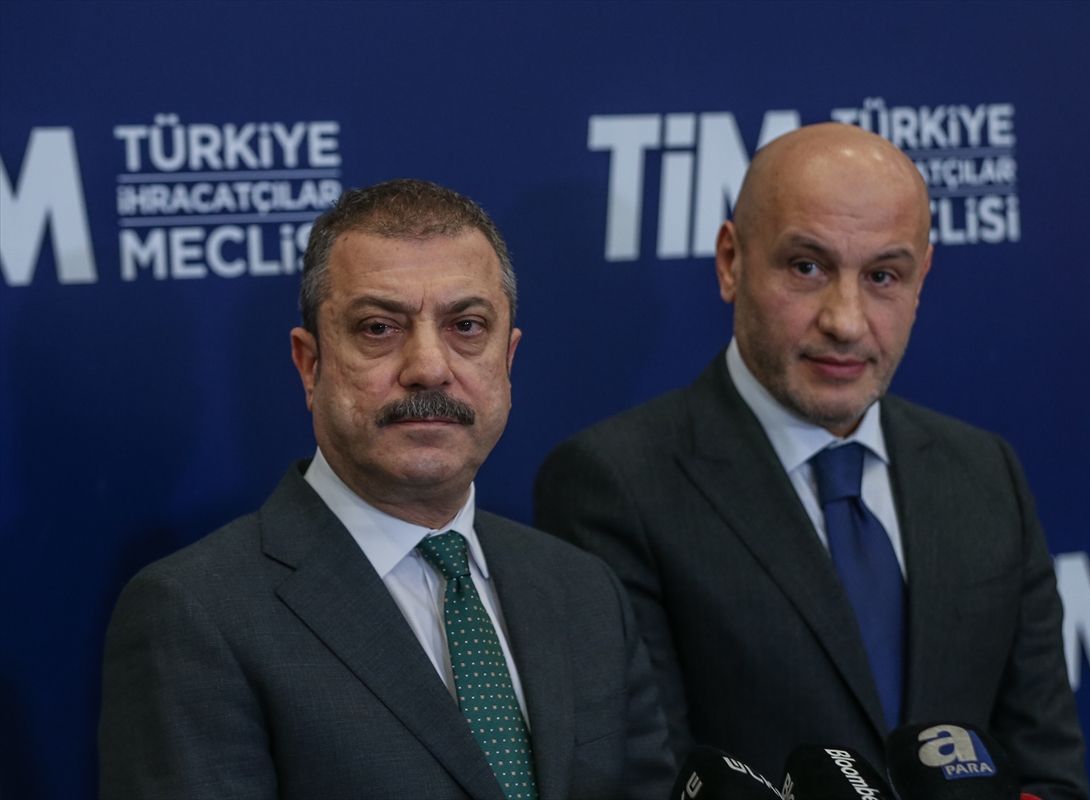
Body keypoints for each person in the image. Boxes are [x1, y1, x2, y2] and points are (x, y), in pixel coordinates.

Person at [534, 124, 1088, 797]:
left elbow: (1047, 773)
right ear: (731, 261)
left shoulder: (985, 472)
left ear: (921, 280)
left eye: (883, 276)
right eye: (807, 267)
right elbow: (650, 781)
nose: (846, 321)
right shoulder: (612, 485)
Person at [99, 179, 676, 800]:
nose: (428, 367)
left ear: (507, 361)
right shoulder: (196, 614)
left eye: (466, 326)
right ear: (310, 365)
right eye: (379, 328)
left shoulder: (584, 592)